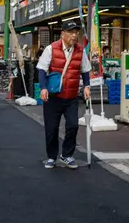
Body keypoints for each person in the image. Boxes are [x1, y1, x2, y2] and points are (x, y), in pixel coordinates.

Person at [37, 20, 91, 170]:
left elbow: (85, 70)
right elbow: (42, 69)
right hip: (53, 97)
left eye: (76, 33)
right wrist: (43, 88)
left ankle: (67, 155)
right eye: (71, 32)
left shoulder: (80, 51)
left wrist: (87, 86)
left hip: (71, 97)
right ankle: (51, 157)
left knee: (73, 125)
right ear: (63, 34)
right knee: (51, 128)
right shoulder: (51, 49)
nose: (74, 36)